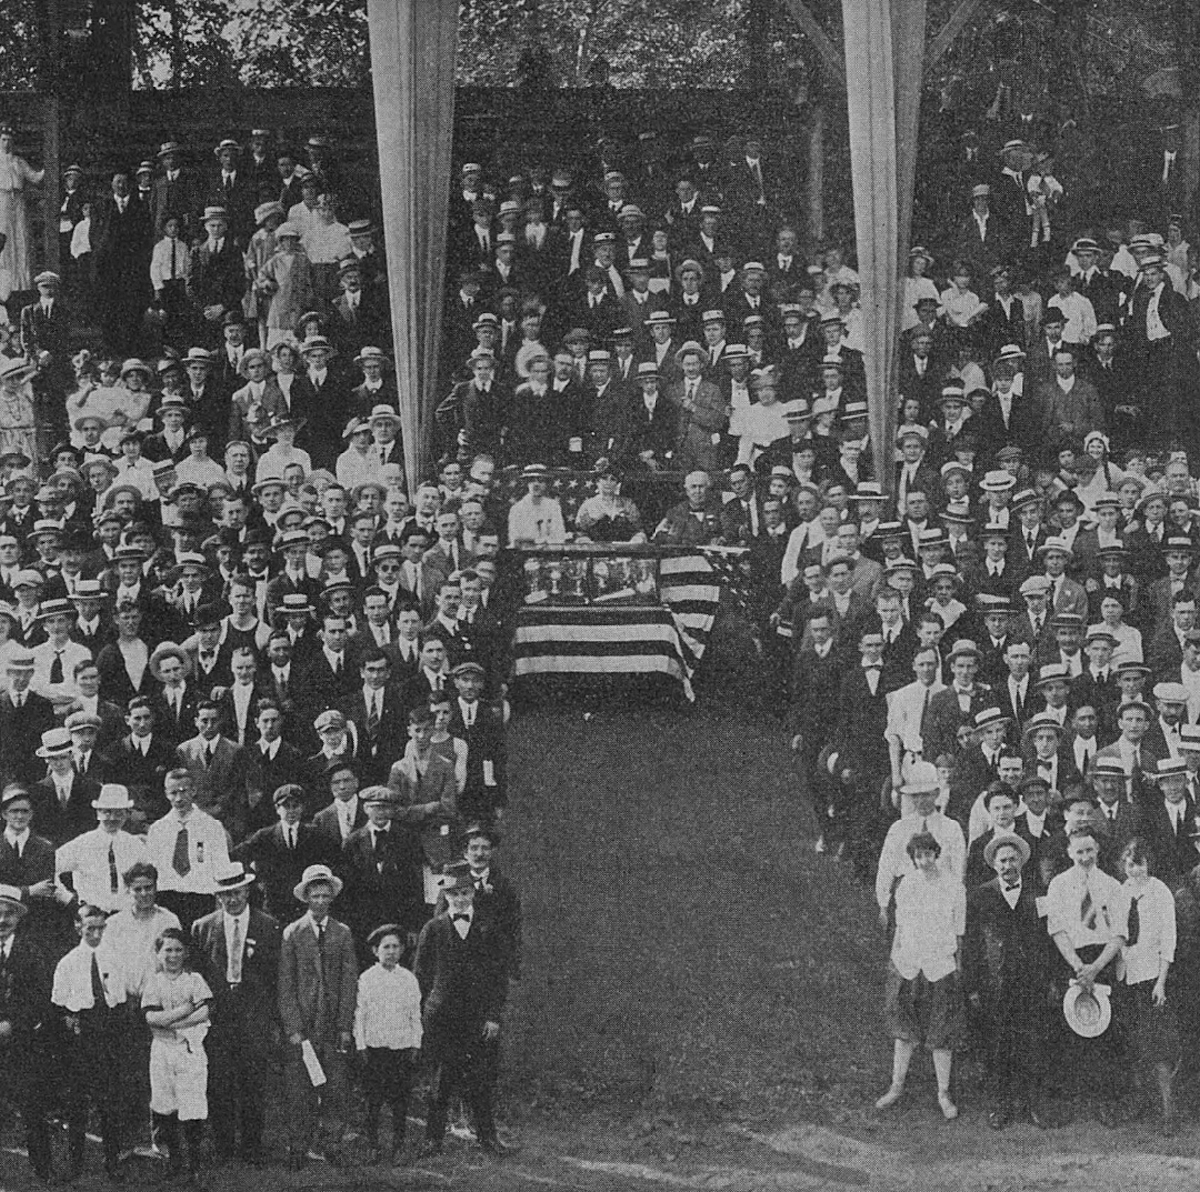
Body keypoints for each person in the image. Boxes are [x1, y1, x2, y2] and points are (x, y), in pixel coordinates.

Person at [414, 861, 510, 1157]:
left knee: (480, 1080)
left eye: (465, 892)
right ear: (446, 895)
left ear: (473, 894)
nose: (460, 898)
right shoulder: (433, 928)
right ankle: (433, 1138)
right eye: (454, 893)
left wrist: (493, 1016)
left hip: (477, 1018)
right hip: (442, 1017)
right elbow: (420, 974)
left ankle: (487, 1137)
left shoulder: (488, 928)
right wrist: (423, 1013)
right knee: (441, 1080)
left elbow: (498, 976)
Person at [190, 860, 281, 1166]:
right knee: (220, 1082)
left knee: (253, 1082)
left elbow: (274, 976)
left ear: (247, 891)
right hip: (218, 1018)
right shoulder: (202, 927)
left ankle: (253, 1145)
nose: (233, 899)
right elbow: (198, 976)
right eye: (226, 893)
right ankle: (224, 1146)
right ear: (218, 896)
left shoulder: (268, 925)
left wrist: (270, 1018)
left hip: (254, 1015)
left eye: (238, 892)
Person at [874, 832, 967, 1121]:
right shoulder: (907, 884)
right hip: (908, 962)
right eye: (918, 856)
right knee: (904, 1030)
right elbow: (900, 927)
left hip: (940, 964)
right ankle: (897, 1085)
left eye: (928, 854)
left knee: (941, 1031)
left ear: (936, 854)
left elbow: (959, 931)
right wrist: (895, 960)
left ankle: (943, 1092)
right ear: (912, 858)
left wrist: (957, 965)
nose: (924, 861)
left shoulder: (954, 886)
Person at [964, 832, 1051, 1129]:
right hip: (995, 983)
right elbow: (973, 945)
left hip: (1031, 983)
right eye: (1002, 860)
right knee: (998, 1045)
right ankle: (1000, 1104)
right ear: (993, 865)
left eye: (1013, 859)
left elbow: (1048, 940)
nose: (1008, 865)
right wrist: (972, 986)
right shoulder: (979, 896)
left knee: (1032, 1043)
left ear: (1022, 862)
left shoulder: (1038, 893)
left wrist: (1048, 979)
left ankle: (1032, 1103)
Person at [277, 862, 358, 1169]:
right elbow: (285, 985)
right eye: (315, 896)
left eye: (326, 896)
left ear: (332, 898)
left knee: (336, 1086)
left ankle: (332, 1143)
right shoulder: (292, 933)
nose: (320, 901)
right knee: (300, 1089)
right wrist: (294, 1027)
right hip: (304, 1025)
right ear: (306, 898)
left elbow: (349, 981)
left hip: (333, 1024)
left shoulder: (342, 933)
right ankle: (298, 1145)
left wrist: (345, 1025)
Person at [1045, 826, 1128, 1123]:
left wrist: (1095, 967)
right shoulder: (1058, 884)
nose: (1084, 857)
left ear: (1098, 851)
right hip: (1071, 959)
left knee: (1103, 1029)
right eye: (1079, 851)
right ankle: (1068, 1101)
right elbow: (1056, 930)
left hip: (1101, 960)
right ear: (1069, 852)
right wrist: (1078, 965)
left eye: (1089, 851)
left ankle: (1105, 1101)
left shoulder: (1112, 885)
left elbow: (1119, 934)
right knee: (1068, 1029)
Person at [51, 902, 126, 1180]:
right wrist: (71, 1025)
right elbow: (58, 1005)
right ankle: (76, 1162)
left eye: (100, 928)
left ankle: (112, 1161)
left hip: (107, 1030)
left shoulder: (114, 957)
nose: (95, 933)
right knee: (77, 1104)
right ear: (77, 927)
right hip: (79, 1035)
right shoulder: (68, 962)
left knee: (109, 1103)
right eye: (89, 928)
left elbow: (119, 998)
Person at [1117, 837, 1180, 1133]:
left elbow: (1169, 939)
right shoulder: (1120, 892)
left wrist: (1161, 982)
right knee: (1135, 1044)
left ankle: (1169, 1112)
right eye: (1130, 865)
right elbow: (1115, 933)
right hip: (1127, 977)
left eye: (1140, 864)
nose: (1135, 871)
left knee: (1160, 1048)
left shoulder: (1160, 892)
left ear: (1148, 864)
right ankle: (1141, 1103)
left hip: (1153, 979)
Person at [141, 926, 212, 1182]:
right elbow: (151, 1017)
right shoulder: (154, 982)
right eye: (167, 950)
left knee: (193, 1107)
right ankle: (172, 1159)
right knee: (164, 1106)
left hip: (189, 1049)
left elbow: (204, 1012)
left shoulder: (194, 979)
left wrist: (174, 1023)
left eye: (178, 950)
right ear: (159, 953)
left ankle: (195, 1164)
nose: (173, 955)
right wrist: (184, 1010)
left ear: (186, 952)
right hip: (162, 1050)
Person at [353, 922, 422, 1165]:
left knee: (400, 1100)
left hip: (401, 1048)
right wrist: (361, 1046)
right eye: (386, 947)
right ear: (375, 951)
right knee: (373, 1100)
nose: (391, 951)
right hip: (375, 1048)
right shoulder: (366, 979)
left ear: (402, 950)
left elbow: (415, 1014)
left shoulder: (409, 979)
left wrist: (415, 1044)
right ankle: (372, 1145)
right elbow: (359, 1014)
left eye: (395, 947)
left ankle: (398, 1144)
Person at [0, 125, 45, 302]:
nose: (6, 143)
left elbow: (35, 177)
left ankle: (21, 284)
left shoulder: (18, 161)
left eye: (9, 140)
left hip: (17, 202)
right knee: (4, 240)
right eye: (3, 140)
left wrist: (48, 166)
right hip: (1, 202)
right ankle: (4, 285)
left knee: (20, 239)